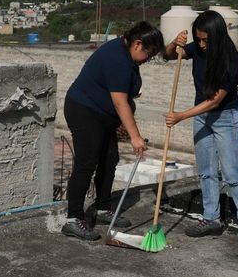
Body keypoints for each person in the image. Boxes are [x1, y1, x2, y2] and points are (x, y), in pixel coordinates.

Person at [163, 10, 238, 253]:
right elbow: (168, 56)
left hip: (225, 117)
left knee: (232, 173)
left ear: (217, 36)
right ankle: (211, 218)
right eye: (199, 39)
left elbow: (216, 101)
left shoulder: (232, 62)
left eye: (206, 40)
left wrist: (182, 116)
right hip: (201, 116)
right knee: (206, 171)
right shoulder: (198, 47)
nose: (202, 45)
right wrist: (176, 42)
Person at [61, 21, 164, 240]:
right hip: (85, 111)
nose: (148, 59)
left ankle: (102, 208)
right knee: (86, 163)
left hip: (103, 115)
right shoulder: (117, 59)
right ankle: (73, 219)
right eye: (149, 53)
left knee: (109, 159)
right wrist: (135, 136)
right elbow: (119, 102)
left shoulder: (125, 52)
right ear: (137, 44)